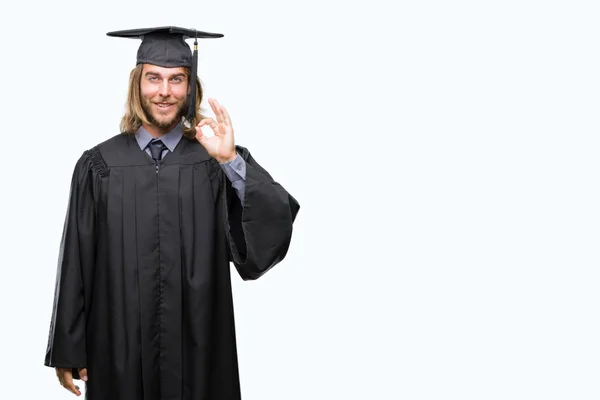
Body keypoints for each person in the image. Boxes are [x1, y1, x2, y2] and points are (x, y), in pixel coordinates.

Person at [44, 26, 300, 400]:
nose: (164, 91)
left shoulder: (214, 162)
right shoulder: (98, 165)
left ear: (190, 87)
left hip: (200, 347)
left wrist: (230, 160)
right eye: (154, 78)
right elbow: (76, 260)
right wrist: (69, 347)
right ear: (137, 85)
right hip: (118, 347)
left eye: (177, 79)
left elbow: (271, 226)